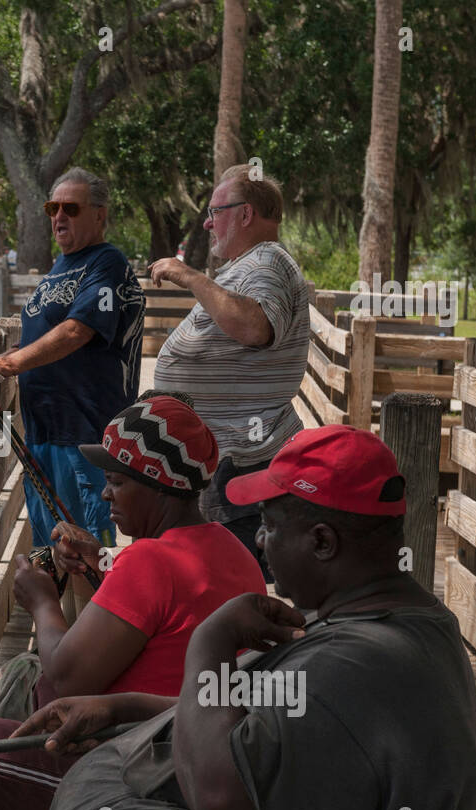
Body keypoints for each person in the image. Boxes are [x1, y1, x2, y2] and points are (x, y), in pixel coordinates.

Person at [16, 425, 476, 810]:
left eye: (269, 525)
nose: (261, 542)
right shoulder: (415, 621)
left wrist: (212, 640)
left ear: (323, 542)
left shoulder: (355, 662)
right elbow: (272, 717)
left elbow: (222, 800)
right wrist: (121, 707)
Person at [0, 393, 267, 810]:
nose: (105, 495)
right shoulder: (228, 545)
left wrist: (41, 602)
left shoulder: (150, 560)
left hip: (133, 776)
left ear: (158, 488)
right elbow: (166, 602)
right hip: (191, 760)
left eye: (117, 483)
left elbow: (64, 679)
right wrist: (103, 563)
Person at [147, 164, 310, 577]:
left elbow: (255, 327)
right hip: (230, 454)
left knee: (227, 580)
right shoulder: (253, 264)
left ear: (245, 214)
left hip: (241, 458)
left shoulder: (268, 263)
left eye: (215, 211)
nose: (206, 222)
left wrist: (188, 275)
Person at [0, 167, 145, 551]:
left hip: (84, 438)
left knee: (87, 555)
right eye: (52, 207)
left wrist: (15, 364)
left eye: (70, 208)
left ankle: (93, 613)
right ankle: (58, 612)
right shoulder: (62, 266)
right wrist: (15, 354)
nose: (59, 216)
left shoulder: (106, 263)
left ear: (99, 214)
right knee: (54, 553)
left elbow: (79, 329)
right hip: (43, 435)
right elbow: (48, 331)